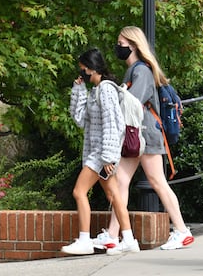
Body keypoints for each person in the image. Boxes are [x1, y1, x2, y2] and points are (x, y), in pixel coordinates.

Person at [92, 26, 194, 253]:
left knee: (157, 181)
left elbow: (132, 102)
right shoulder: (136, 71)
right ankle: (112, 235)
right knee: (120, 182)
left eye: (121, 44)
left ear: (134, 45)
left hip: (145, 134)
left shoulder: (142, 72)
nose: (118, 48)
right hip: (137, 135)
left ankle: (182, 231)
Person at [62, 48, 139, 255]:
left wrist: (108, 157)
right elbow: (79, 119)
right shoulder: (95, 91)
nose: (82, 73)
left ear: (91, 68)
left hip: (101, 154)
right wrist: (78, 92)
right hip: (97, 153)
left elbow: (113, 124)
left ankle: (85, 240)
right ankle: (130, 240)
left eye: (83, 69)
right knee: (114, 195)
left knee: (79, 192)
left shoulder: (106, 89)